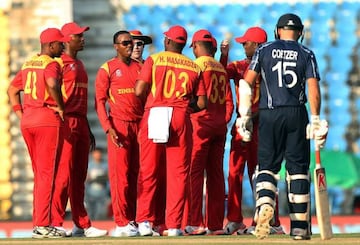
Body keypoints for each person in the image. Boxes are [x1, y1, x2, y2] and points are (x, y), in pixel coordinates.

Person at [237, 13, 328, 240]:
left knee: (266, 167)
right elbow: (313, 88)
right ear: (300, 32)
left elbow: (246, 83)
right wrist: (316, 118)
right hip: (296, 113)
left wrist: (244, 115)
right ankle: (299, 228)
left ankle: (265, 203)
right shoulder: (306, 53)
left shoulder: (264, 50)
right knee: (297, 171)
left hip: (269, 113)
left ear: (277, 30)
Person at [135, 25, 207, 237]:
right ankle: (174, 225)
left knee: (148, 169)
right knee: (178, 173)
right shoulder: (194, 67)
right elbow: (202, 103)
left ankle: (145, 222)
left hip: (156, 112)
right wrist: (184, 108)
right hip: (180, 115)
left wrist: (152, 102)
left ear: (167, 41)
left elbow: (139, 90)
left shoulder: (154, 59)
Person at [219, 27, 285, 235]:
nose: (242, 45)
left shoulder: (271, 68)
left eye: (245, 42)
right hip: (243, 125)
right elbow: (218, 76)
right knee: (234, 173)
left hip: (261, 125)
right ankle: (236, 220)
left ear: (256, 45)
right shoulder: (238, 65)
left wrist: (252, 117)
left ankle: (271, 222)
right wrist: (223, 55)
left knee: (261, 175)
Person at [7, 28, 69, 238]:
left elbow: (12, 90)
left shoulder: (28, 64)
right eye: (60, 44)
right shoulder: (52, 64)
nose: (63, 47)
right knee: (46, 174)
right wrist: (60, 106)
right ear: (50, 45)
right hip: (46, 120)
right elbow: (52, 84)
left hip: (29, 120)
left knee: (40, 174)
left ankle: (39, 223)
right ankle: (43, 225)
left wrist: (20, 114)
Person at [49, 22, 107, 238]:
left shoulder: (80, 64)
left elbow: (80, 99)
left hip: (81, 123)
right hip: (67, 122)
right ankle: (55, 222)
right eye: (78, 36)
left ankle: (81, 224)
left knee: (79, 176)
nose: (82, 39)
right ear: (66, 40)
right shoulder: (59, 64)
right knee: (63, 175)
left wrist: (88, 127)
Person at [184, 29, 234, 235]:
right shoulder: (221, 69)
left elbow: (190, 96)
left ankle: (194, 222)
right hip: (219, 127)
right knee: (215, 176)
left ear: (195, 46)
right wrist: (223, 121)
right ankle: (214, 225)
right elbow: (230, 101)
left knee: (194, 174)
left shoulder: (195, 66)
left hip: (200, 124)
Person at [94, 30, 143, 237]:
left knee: (137, 176)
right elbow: (100, 102)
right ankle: (122, 222)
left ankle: (134, 220)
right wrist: (108, 127)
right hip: (119, 126)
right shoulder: (107, 69)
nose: (130, 46)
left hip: (140, 125)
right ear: (116, 46)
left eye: (131, 42)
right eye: (125, 43)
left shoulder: (141, 67)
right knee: (119, 176)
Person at [85, 147, 109, 220]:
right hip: (90, 193)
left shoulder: (106, 165)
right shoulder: (89, 165)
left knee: (101, 214)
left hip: (102, 193)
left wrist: (101, 178)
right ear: (93, 154)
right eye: (96, 153)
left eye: (99, 153)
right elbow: (86, 177)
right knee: (91, 213)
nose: (98, 155)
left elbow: (109, 176)